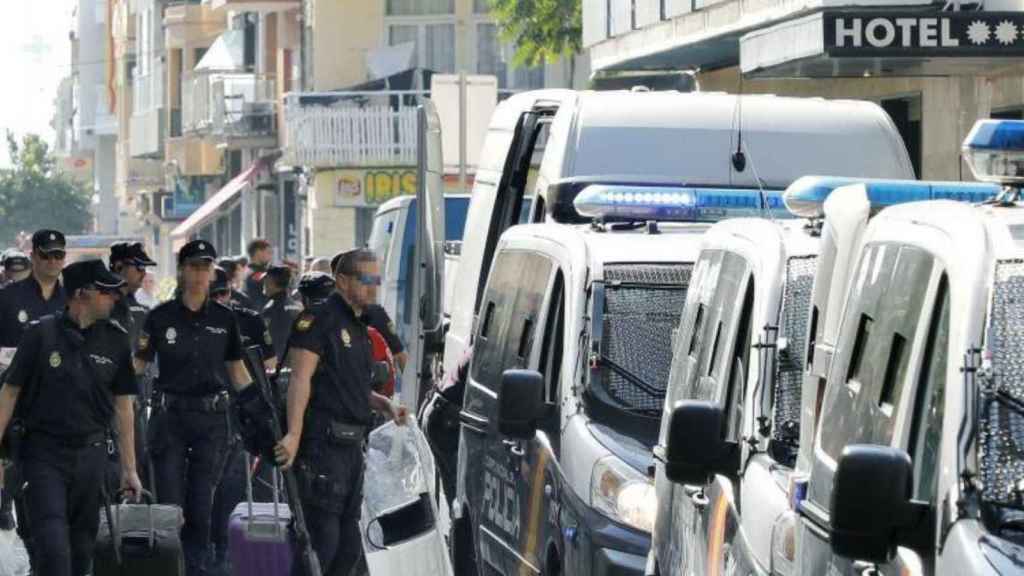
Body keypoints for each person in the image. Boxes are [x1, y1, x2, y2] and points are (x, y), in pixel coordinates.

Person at [0, 259, 142, 576]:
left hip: (91, 458)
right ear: (82, 294)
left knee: (81, 555)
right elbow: (9, 393)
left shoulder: (116, 340)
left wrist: (129, 469)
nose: (114, 297)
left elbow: (123, 408)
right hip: (43, 456)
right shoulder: (40, 335)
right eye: (106, 291)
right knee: (53, 550)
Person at [274, 249, 408, 576]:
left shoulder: (359, 325)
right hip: (321, 445)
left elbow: (351, 387)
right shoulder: (319, 320)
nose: (374, 287)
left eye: (377, 279)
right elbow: (301, 379)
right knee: (322, 542)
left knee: (350, 547)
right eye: (367, 280)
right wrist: (292, 435)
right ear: (343, 281)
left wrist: (385, 405)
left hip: (351, 448)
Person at [133, 240, 254, 576]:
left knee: (202, 507)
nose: (202, 275)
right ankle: (173, 569)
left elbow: (237, 371)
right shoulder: (159, 317)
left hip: (212, 420)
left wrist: (258, 407)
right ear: (182, 270)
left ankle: (198, 568)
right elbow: (138, 367)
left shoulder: (224, 318)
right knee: (171, 508)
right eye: (196, 267)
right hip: (170, 418)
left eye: (207, 267)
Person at [0, 230, 67, 535]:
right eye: (46, 254)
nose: (53, 261)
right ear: (33, 257)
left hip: (63, 408)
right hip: (19, 404)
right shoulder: (8, 298)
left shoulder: (73, 299)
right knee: (22, 487)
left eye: (58, 255)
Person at [208, 265, 275, 573]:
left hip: (240, 419)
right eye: (214, 294)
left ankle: (224, 554)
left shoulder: (248, 319)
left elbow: (268, 368)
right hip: (202, 419)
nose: (221, 299)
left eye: (224, 292)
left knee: (233, 492)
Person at [329, 251, 407, 373]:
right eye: (365, 279)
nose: (371, 287)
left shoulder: (376, 313)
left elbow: (399, 353)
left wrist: (412, 390)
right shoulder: (325, 316)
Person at [262, 265, 302, 366]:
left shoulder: (272, 308)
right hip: (295, 363)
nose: (263, 284)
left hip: (279, 365)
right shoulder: (296, 306)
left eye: (265, 280)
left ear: (270, 282)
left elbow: (272, 340)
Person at [243, 239, 273, 311]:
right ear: (258, 252)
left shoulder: (246, 271)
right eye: (268, 253)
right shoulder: (253, 273)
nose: (271, 257)